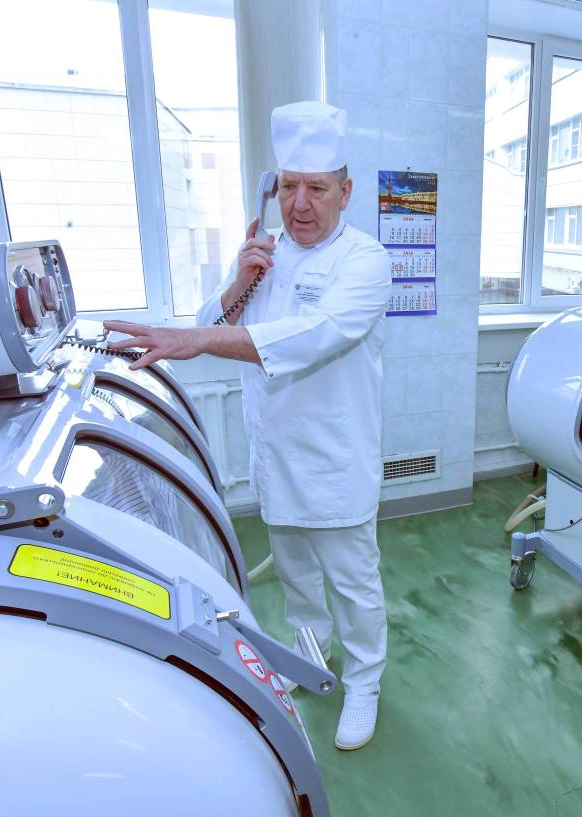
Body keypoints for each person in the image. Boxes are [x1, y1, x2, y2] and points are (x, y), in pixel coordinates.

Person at [104, 101, 390, 751]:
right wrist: (240, 279)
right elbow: (214, 320)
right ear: (272, 188)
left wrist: (198, 338)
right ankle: (310, 656)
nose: (300, 204)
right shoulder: (266, 254)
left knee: (354, 584)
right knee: (296, 578)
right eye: (288, 186)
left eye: (316, 188)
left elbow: (312, 336)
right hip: (277, 456)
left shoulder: (365, 262)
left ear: (345, 192)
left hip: (336, 461)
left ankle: (365, 681)